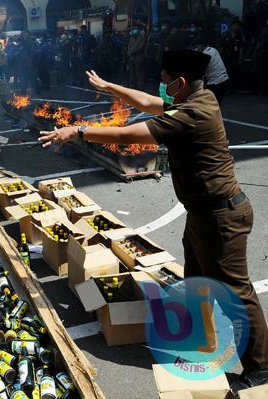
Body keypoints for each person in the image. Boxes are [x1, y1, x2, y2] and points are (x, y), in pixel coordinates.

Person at [39, 51, 268, 394]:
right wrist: (108, 85)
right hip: (204, 213)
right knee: (196, 281)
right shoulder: (198, 97)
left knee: (236, 292)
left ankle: (261, 368)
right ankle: (196, 344)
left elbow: (129, 136)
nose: (160, 86)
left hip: (222, 216)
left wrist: (79, 131)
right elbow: (147, 101)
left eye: (165, 79)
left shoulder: (191, 113)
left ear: (179, 83)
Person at [191, 37, 230, 104]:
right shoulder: (213, 49)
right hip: (224, 80)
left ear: (201, 45)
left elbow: (199, 73)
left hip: (216, 83)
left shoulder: (204, 55)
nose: (196, 49)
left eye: (196, 46)